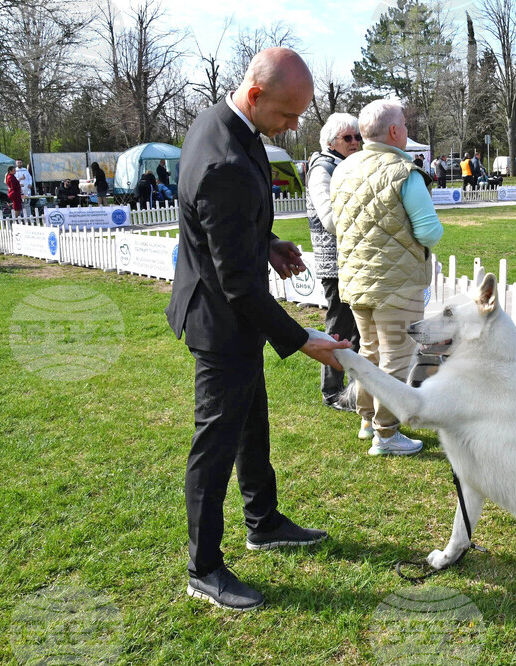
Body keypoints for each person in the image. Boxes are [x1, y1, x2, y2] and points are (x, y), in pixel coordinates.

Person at [165, 47, 349, 612]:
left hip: (231, 309)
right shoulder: (223, 158)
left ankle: (262, 520)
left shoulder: (223, 122)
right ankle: (204, 568)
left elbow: (217, 224)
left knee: (253, 424)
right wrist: (305, 339)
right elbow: (238, 286)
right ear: (255, 95)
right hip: (221, 321)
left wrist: (265, 242)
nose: (295, 128)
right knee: (215, 443)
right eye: (289, 115)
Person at [330, 99, 443, 456]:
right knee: (397, 358)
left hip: (356, 281)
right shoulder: (404, 172)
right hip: (397, 284)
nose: (407, 131)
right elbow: (429, 233)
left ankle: (367, 419)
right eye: (405, 126)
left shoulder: (344, 170)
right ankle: (386, 432)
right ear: (394, 131)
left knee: (369, 353)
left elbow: (336, 224)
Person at [306, 112, 362, 411]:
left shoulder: (345, 164)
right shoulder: (322, 168)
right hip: (336, 263)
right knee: (339, 329)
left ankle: (353, 390)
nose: (355, 142)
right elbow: (330, 219)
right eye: (348, 138)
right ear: (331, 142)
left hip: (353, 261)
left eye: (357, 137)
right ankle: (332, 392)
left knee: (356, 330)